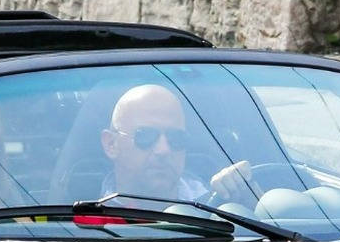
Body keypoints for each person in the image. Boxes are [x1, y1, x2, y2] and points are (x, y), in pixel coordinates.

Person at [98, 84, 252, 203]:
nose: (163, 150)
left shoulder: (221, 209)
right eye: (146, 136)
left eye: (176, 138)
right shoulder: (81, 223)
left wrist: (250, 199)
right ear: (111, 144)